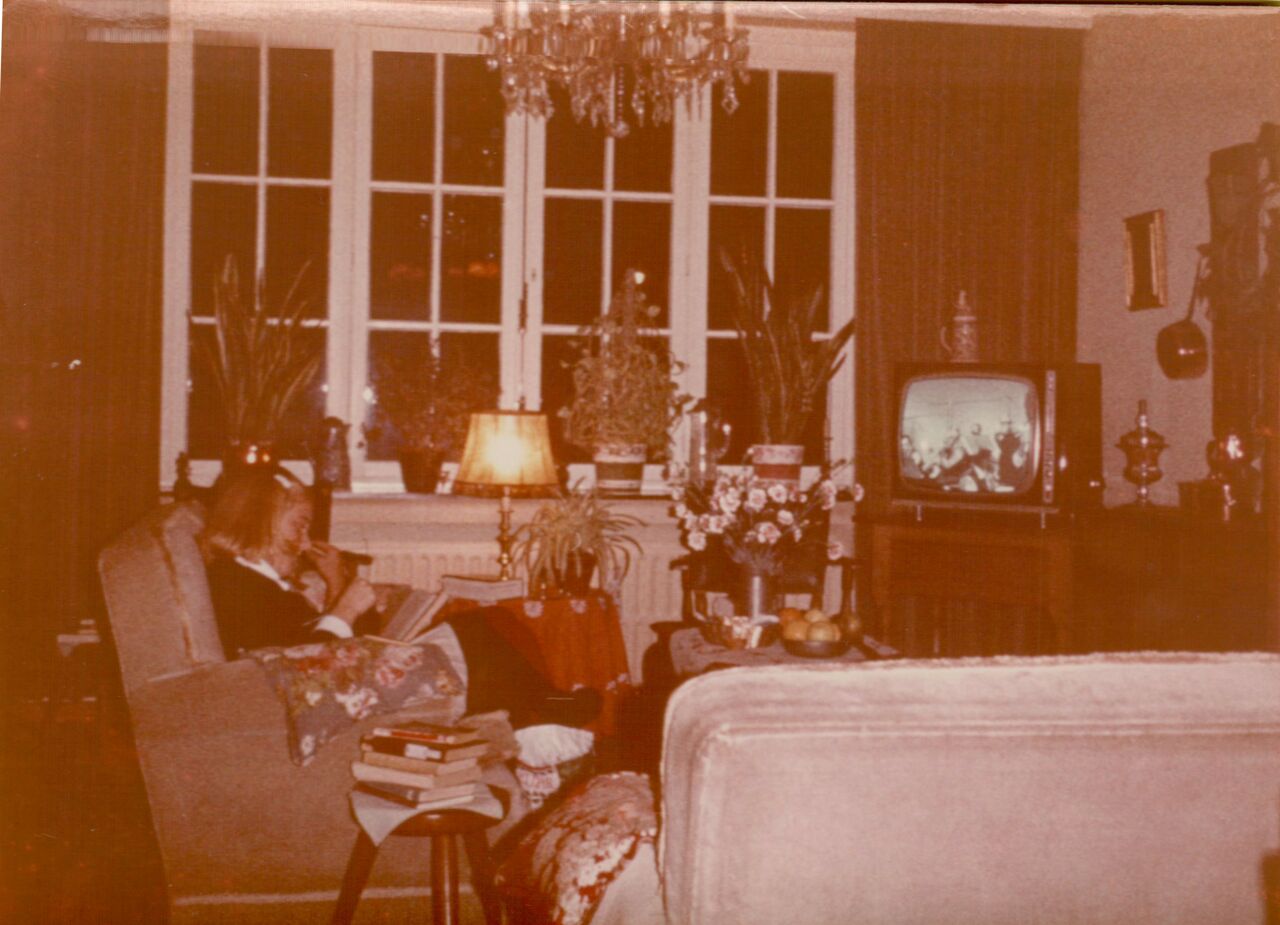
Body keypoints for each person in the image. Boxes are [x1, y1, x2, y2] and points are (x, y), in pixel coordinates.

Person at [198, 469, 599, 728]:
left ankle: (546, 712)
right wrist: (345, 608)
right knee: (478, 637)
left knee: (485, 623)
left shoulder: (253, 580)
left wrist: (339, 585)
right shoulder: (236, 584)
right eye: (299, 525)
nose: (305, 541)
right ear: (260, 519)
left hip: (350, 680)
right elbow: (302, 668)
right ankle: (550, 710)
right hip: (333, 701)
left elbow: (321, 643)